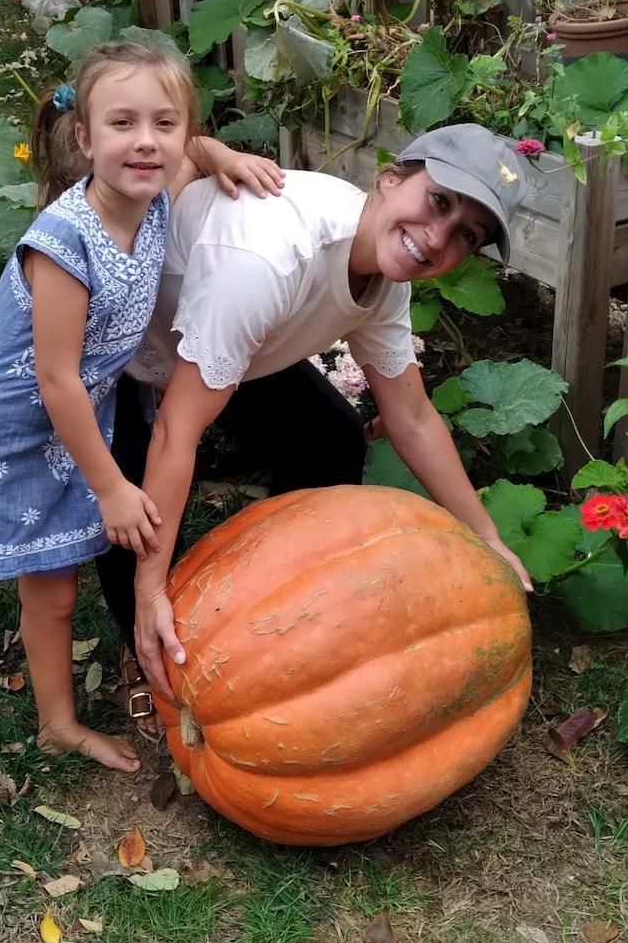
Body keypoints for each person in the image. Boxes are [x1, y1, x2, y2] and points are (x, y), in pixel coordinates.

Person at [0, 39, 281, 886]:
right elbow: (55, 377)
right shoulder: (63, 236)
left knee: (56, 592)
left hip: (63, 433)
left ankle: (57, 721)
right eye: (122, 123)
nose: (145, 141)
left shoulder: (155, 193)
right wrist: (112, 482)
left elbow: (188, 158)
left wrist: (220, 151)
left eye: (165, 123)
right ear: (82, 135)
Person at [94, 124, 536, 714]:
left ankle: (285, 609)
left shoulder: (384, 273)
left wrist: (487, 536)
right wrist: (150, 589)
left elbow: (410, 416)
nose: (436, 239)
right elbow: (178, 432)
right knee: (126, 499)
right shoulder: (270, 258)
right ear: (390, 178)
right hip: (112, 344)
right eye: (439, 201)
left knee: (330, 437)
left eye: (465, 235)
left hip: (207, 345)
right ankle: (146, 648)